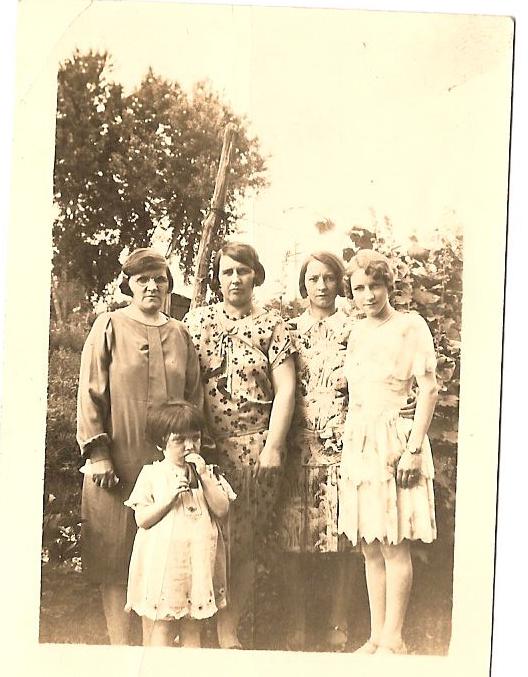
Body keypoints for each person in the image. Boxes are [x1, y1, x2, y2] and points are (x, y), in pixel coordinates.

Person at [77, 248, 202, 645]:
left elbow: (193, 399)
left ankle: (157, 645)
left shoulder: (181, 334)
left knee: (166, 550)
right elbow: (90, 393)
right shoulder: (109, 325)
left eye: (160, 279)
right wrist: (98, 453)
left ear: (169, 286)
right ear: (128, 283)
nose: (152, 286)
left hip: (169, 461)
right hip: (117, 458)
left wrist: (190, 455)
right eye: (142, 278)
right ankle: (119, 647)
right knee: (115, 550)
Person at [184, 241, 296, 649]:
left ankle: (228, 629)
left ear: (256, 275)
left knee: (244, 541)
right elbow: (183, 383)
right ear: (218, 277)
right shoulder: (196, 322)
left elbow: (286, 389)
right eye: (228, 271)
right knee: (204, 537)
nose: (235, 279)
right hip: (207, 451)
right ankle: (196, 624)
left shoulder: (274, 326)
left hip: (254, 448)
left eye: (243, 271)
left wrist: (274, 446)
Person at [338, 249, 438, 655]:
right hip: (360, 441)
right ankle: (376, 635)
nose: (367, 296)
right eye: (359, 288)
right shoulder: (358, 331)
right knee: (370, 543)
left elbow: (428, 390)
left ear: (388, 286)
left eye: (374, 286)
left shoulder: (410, 326)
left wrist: (413, 450)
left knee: (395, 541)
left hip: (395, 439)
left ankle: (395, 638)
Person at [277, 251, 353, 651]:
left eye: (328, 278)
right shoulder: (288, 331)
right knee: (293, 540)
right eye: (313, 279)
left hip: (343, 448)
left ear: (339, 283)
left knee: (342, 539)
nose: (321, 287)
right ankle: (296, 623)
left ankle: (339, 622)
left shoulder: (355, 328)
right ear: (302, 285)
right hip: (297, 448)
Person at [124, 401, 235, 647]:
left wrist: (205, 477)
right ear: (161, 443)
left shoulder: (208, 473)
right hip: (167, 567)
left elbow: (222, 509)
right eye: (179, 440)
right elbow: (142, 519)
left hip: (197, 564)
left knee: (192, 628)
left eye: (195, 438)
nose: (189, 446)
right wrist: (168, 499)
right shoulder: (153, 475)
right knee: (162, 627)